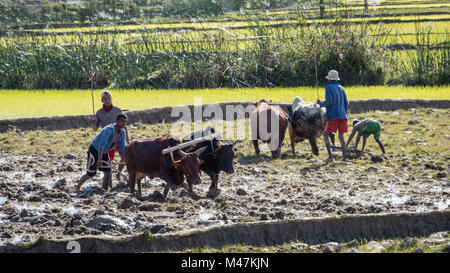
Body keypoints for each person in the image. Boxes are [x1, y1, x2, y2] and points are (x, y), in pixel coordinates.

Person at [75, 114, 128, 192]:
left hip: (104, 151)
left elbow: (122, 145)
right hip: (95, 150)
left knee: (108, 172)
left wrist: (123, 158)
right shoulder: (109, 130)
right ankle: (77, 187)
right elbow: (101, 144)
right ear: (117, 121)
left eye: (125, 122)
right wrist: (99, 159)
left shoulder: (123, 132)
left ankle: (104, 190)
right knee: (90, 173)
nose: (124, 123)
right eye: (122, 121)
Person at [93, 90, 128, 181]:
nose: (107, 100)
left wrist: (127, 138)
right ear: (102, 100)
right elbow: (95, 129)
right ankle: (109, 178)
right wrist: (94, 123)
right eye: (105, 99)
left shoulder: (118, 110)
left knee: (125, 157)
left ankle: (118, 174)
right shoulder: (99, 113)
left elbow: (124, 125)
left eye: (109, 98)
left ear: (111, 99)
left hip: (119, 137)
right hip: (108, 140)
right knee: (108, 160)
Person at [317, 70, 349, 162]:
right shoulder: (341, 87)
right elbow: (347, 103)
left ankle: (330, 157)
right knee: (341, 137)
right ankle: (344, 158)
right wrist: (344, 112)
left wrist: (321, 103)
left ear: (329, 79)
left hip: (333, 116)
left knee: (325, 134)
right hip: (342, 116)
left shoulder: (328, 86)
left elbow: (330, 101)